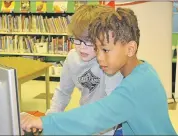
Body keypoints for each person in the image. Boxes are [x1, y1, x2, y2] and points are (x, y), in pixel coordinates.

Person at [20, 7, 177, 135]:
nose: (99, 58)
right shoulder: (144, 70)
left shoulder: (133, 88)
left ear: (130, 49)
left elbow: (97, 115)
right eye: (97, 48)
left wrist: (43, 122)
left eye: (105, 50)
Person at [22, 5, 123, 135]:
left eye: (89, 42)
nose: (81, 48)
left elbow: (112, 105)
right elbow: (63, 92)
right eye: (77, 40)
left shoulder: (109, 61)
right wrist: (48, 121)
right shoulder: (72, 58)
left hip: (112, 126)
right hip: (89, 118)